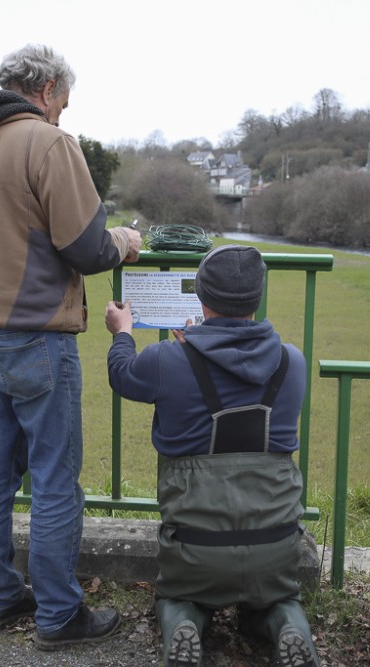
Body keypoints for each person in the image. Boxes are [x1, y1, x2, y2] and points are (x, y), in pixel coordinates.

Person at [0, 43, 142, 650]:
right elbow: (85, 247)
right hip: (38, 338)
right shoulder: (49, 143)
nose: (62, 115)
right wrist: (125, 241)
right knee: (55, 479)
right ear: (48, 88)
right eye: (64, 103)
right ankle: (58, 615)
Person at [104, 245, 320, 667]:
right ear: (257, 298)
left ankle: (185, 621)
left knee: (178, 594)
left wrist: (123, 331)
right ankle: (288, 625)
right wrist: (196, 346)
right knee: (276, 598)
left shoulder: (169, 358)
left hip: (195, 548)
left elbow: (123, 374)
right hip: (275, 546)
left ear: (200, 298)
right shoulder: (291, 363)